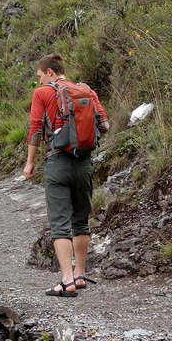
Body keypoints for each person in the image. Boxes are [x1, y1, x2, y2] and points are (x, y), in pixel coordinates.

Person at [23, 54, 109, 298]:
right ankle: (80, 275)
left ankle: (67, 280)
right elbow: (105, 125)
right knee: (80, 221)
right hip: (84, 163)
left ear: (49, 72)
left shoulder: (42, 94)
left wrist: (30, 163)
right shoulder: (86, 91)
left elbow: (36, 130)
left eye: (39, 77)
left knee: (60, 223)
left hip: (57, 162)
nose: (39, 82)